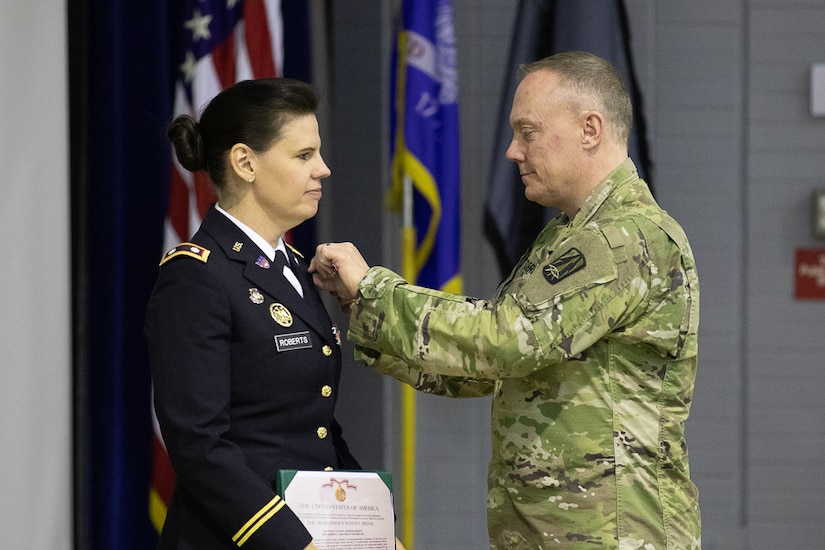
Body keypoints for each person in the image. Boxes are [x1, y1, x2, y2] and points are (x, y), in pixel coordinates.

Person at [310, 51, 701, 549]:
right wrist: (363, 312)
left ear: (590, 129)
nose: (513, 151)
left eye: (529, 132)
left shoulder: (619, 239)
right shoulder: (569, 236)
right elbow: (486, 369)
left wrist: (375, 291)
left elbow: (503, 340)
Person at [145, 78, 360, 550]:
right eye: (304, 156)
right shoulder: (197, 275)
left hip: (314, 532)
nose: (323, 169)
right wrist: (293, 542)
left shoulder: (292, 267)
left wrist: (373, 527)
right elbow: (199, 444)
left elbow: (315, 425)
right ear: (245, 163)